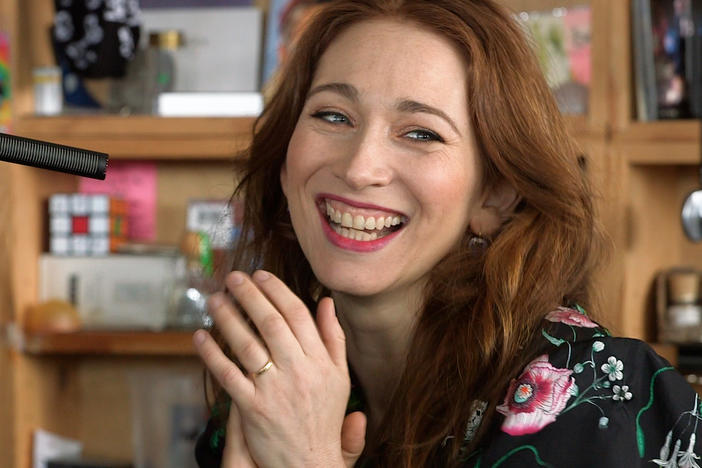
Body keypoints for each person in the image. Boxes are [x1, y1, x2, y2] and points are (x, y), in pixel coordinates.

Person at [192, 1, 702, 466]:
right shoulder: (278, 383)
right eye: (332, 115)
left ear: (495, 195)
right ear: (285, 162)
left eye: (421, 132)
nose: (360, 167)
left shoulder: (601, 397)